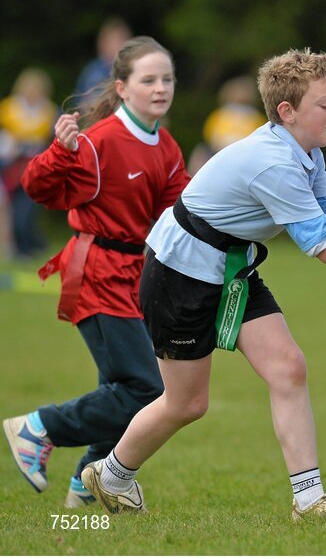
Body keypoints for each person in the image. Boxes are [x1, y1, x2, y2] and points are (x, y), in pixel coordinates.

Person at [78, 48, 326, 523]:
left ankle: (309, 502)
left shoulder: (305, 150)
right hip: (178, 274)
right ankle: (110, 474)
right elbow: (325, 247)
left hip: (229, 267)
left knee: (288, 367)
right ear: (288, 111)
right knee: (187, 403)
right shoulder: (274, 163)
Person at [3, 37, 188, 508]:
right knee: (147, 390)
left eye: (167, 78)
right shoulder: (98, 140)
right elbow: (38, 188)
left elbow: (178, 214)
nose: (161, 88)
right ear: (122, 88)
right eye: (149, 80)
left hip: (138, 277)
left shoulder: (165, 145)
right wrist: (60, 153)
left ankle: (87, 488)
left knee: (131, 390)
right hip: (97, 273)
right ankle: (39, 427)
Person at [0, 68, 58, 258]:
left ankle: (30, 247)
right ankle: (15, 248)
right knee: (9, 210)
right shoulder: (7, 109)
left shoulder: (50, 112)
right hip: (8, 166)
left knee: (26, 212)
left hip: (34, 168)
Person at [187, 76, 265, 175]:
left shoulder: (219, 115)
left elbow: (211, 138)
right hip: (243, 158)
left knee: (200, 152)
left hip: (223, 155)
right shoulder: (257, 118)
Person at [74, 18, 132, 104]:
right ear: (103, 44)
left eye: (122, 40)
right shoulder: (94, 72)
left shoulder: (131, 68)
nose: (120, 45)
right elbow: (87, 104)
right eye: (115, 40)